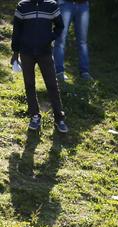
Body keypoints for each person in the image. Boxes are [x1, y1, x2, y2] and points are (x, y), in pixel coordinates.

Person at [11, 0, 68, 133]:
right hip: (26, 53)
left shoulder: (51, 6)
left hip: (45, 52)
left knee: (52, 85)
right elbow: (16, 30)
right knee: (29, 85)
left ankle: (59, 118)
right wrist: (15, 53)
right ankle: (34, 116)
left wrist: (50, 37)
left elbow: (60, 26)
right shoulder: (22, 6)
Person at [53, 0, 91, 82]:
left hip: (83, 5)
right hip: (65, 3)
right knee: (60, 40)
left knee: (83, 42)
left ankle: (84, 72)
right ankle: (59, 72)